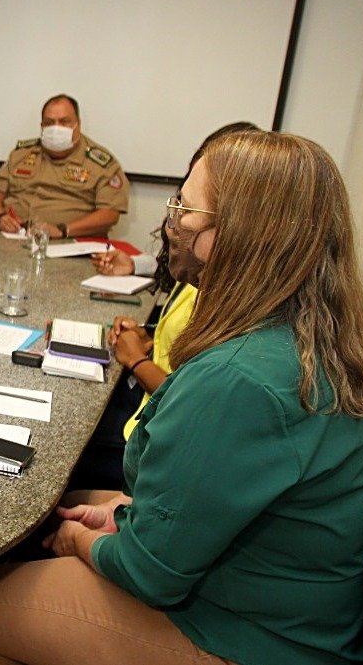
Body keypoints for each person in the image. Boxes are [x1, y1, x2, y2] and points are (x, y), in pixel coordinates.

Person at [0, 130, 363, 665]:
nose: (171, 222)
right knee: (72, 505)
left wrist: (80, 544)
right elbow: (222, 496)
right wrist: (125, 514)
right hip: (297, 613)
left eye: (184, 206)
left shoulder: (237, 380)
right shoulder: (306, 339)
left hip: (250, 640)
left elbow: (148, 575)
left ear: (232, 237)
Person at [70, 122, 260, 490]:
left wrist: (136, 360)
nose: (173, 223)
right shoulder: (200, 280)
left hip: (150, 432)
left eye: (186, 208)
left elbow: (189, 397)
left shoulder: (230, 313)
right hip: (148, 415)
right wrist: (147, 336)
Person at [0, 94, 128, 239]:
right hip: (16, 239)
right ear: (41, 126)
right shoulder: (21, 154)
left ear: (78, 124)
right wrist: (0, 217)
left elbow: (110, 215)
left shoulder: (101, 163)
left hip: (71, 242)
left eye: (64, 122)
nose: (56, 128)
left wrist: (62, 230)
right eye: (49, 122)